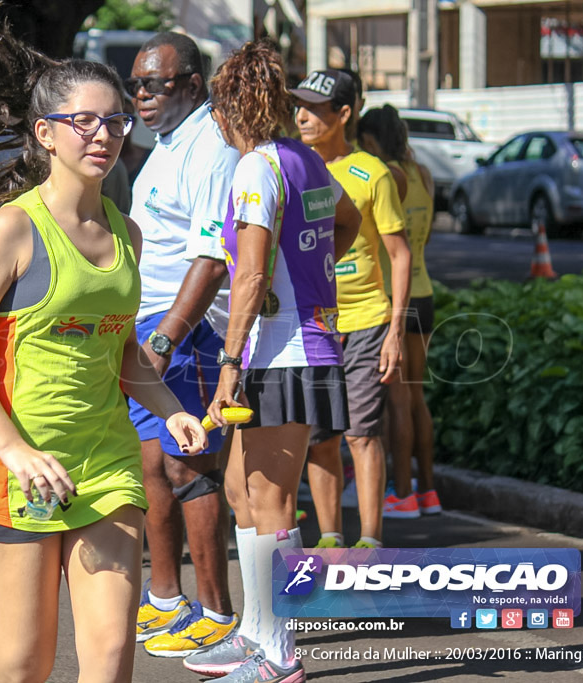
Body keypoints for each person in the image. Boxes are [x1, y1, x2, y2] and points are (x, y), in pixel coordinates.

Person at [0, 13, 208, 683]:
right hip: (14, 464)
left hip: (104, 460)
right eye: (84, 122)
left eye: (115, 121)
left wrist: (170, 404)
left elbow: (121, 348)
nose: (103, 134)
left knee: (107, 662)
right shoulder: (14, 228)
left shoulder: (128, 234)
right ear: (46, 133)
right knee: (22, 664)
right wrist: (15, 448)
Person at [183, 41, 359, 682]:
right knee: (239, 489)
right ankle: (256, 633)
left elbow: (252, 277)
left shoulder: (258, 168)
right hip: (289, 346)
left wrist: (229, 363)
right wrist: (315, 274)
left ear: (228, 110)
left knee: (271, 499)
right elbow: (347, 221)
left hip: (284, 351)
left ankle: (279, 655)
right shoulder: (306, 158)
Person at [125, 31, 240, 656]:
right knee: (152, 467)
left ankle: (219, 612)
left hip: (186, 330)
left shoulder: (211, 146)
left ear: (192, 85)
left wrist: (168, 337)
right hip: (149, 323)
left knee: (187, 465)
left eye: (155, 84)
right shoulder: (167, 142)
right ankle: (167, 599)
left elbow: (211, 256)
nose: (141, 94)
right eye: (136, 84)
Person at [293, 69, 412, 549]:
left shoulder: (372, 173)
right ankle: (329, 539)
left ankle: (370, 542)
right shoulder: (293, 165)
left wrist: (396, 332)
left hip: (367, 321)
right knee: (320, 436)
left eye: (314, 109)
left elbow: (400, 254)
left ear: (344, 114)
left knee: (361, 433)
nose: (301, 116)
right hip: (313, 322)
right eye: (298, 106)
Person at [357, 105, 441, 517]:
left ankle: (403, 493)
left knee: (398, 401)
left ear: (370, 141)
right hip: (425, 294)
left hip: (395, 297)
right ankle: (427, 491)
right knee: (417, 396)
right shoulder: (421, 172)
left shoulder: (385, 175)